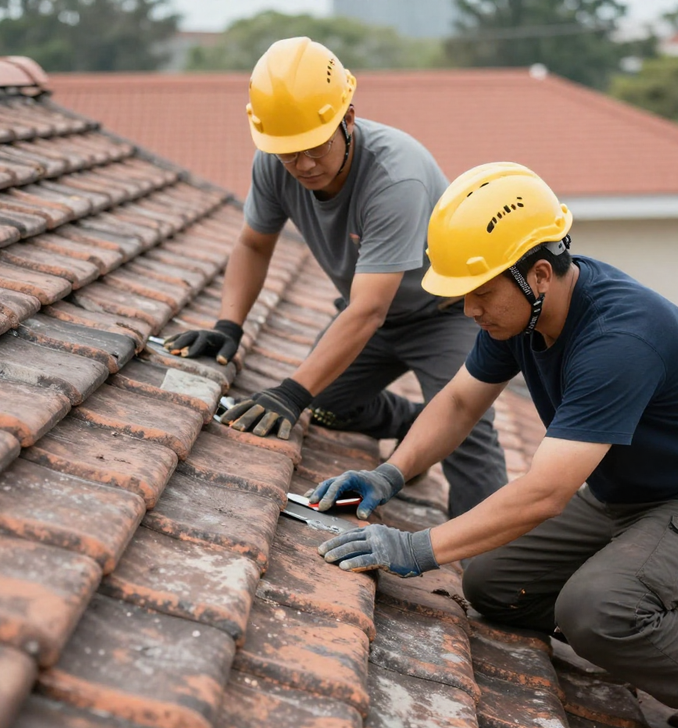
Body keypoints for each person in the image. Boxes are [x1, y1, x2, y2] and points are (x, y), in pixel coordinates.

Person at [313, 162, 678, 728]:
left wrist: (416, 547)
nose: (469, 310)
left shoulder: (620, 337)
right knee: (492, 586)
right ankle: (665, 629)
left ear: (539, 273)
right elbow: (462, 400)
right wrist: (390, 473)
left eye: (479, 293)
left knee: (595, 610)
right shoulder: (519, 310)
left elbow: (546, 491)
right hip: (624, 490)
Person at [163, 37, 507, 518]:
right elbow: (253, 243)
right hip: (370, 313)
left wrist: (289, 393)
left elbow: (369, 309)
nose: (302, 165)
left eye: (314, 147)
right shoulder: (274, 161)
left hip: (444, 315)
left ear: (347, 118)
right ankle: (411, 422)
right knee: (323, 404)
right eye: (288, 153)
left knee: (463, 425)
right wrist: (228, 326)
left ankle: (491, 565)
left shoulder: (394, 177)